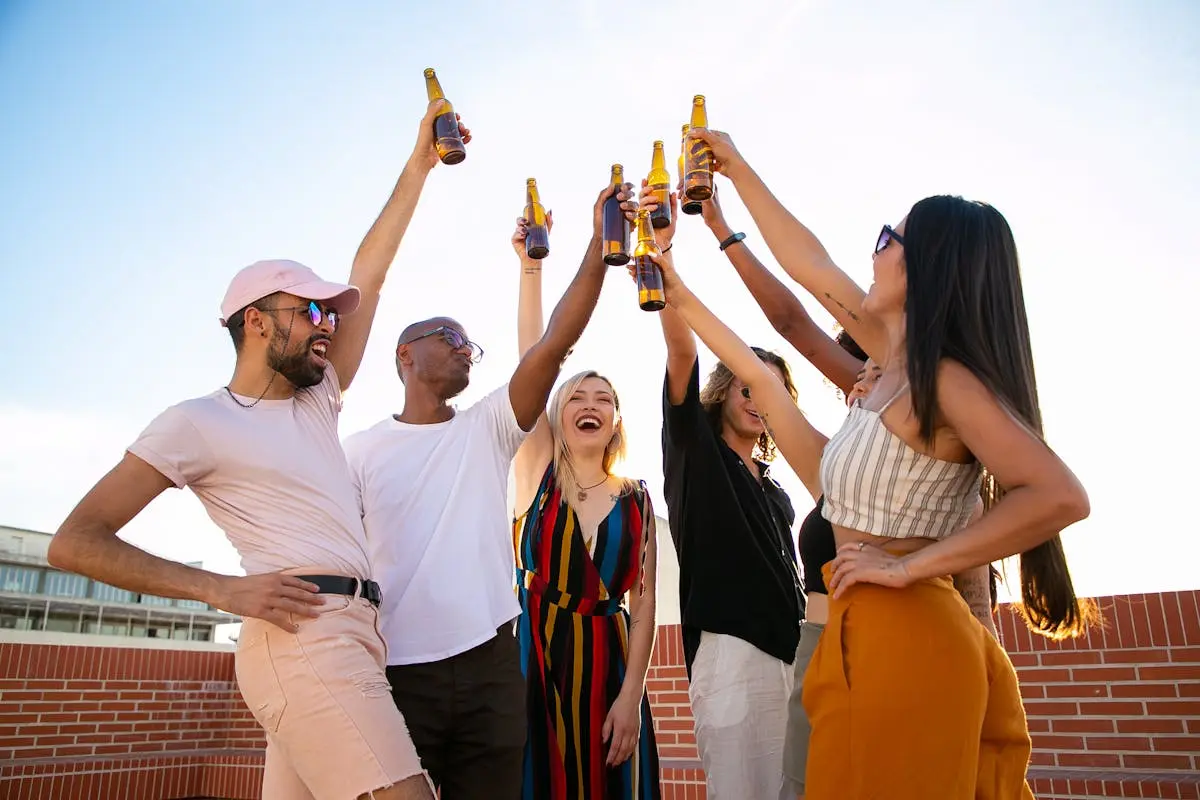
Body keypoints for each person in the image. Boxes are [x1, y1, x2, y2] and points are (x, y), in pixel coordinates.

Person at [653, 125, 1094, 799]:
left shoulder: (943, 382)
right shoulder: (888, 371)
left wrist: (909, 565)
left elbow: (1060, 495)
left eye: (889, 239)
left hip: (913, 637)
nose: (873, 248)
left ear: (929, 268)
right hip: (858, 637)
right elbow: (805, 281)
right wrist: (730, 183)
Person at [45, 100, 464, 800]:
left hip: (354, 633)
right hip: (304, 641)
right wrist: (218, 589)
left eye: (331, 313)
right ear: (256, 322)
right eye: (309, 312)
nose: (327, 326)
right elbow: (74, 543)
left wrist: (419, 164)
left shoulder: (317, 399)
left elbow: (373, 270)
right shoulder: (198, 422)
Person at [342, 180, 637, 800]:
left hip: (491, 667)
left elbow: (555, 343)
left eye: (470, 345)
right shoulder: (361, 451)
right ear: (405, 355)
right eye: (447, 337)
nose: (464, 350)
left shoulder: (489, 428)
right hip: (395, 671)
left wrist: (595, 243)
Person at [642, 188, 804, 800]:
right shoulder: (695, 453)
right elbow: (681, 349)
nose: (759, 397)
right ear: (721, 393)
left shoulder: (779, 489)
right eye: (747, 384)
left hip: (794, 655)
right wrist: (663, 256)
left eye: (773, 389)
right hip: (733, 656)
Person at [508, 214, 661, 799]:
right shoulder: (537, 473)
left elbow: (643, 608)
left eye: (604, 399)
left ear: (616, 420)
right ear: (558, 411)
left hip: (612, 668)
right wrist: (531, 268)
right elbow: (535, 361)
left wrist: (630, 698)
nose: (589, 403)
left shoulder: (638, 498)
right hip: (535, 661)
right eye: (577, 395)